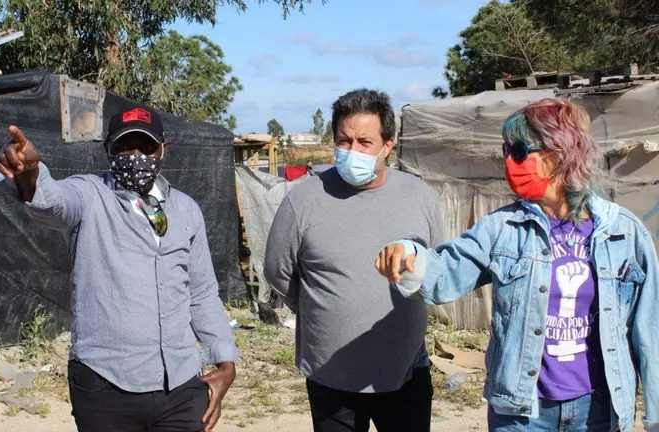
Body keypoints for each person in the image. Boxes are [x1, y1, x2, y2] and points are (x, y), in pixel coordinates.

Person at [375, 99, 659, 432]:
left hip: (596, 410)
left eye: (520, 150)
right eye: (506, 150)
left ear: (560, 153)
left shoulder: (624, 234)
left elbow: (649, 332)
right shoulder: (502, 229)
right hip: (522, 414)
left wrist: (654, 416)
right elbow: (447, 272)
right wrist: (410, 256)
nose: (509, 160)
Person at [0, 105, 237, 432]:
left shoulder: (186, 210)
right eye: (124, 146)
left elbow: (202, 293)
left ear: (163, 149)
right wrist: (30, 174)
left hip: (180, 384)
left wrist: (225, 361)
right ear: (108, 150)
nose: (135, 155)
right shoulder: (90, 194)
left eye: (146, 146)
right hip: (106, 383)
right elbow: (54, 203)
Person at [264, 89, 444, 432]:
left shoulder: (418, 195)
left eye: (364, 142)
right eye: (344, 141)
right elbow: (278, 271)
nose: (352, 151)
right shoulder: (303, 200)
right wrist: (326, 308)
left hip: (406, 369)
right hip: (332, 374)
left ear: (387, 145)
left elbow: (437, 264)